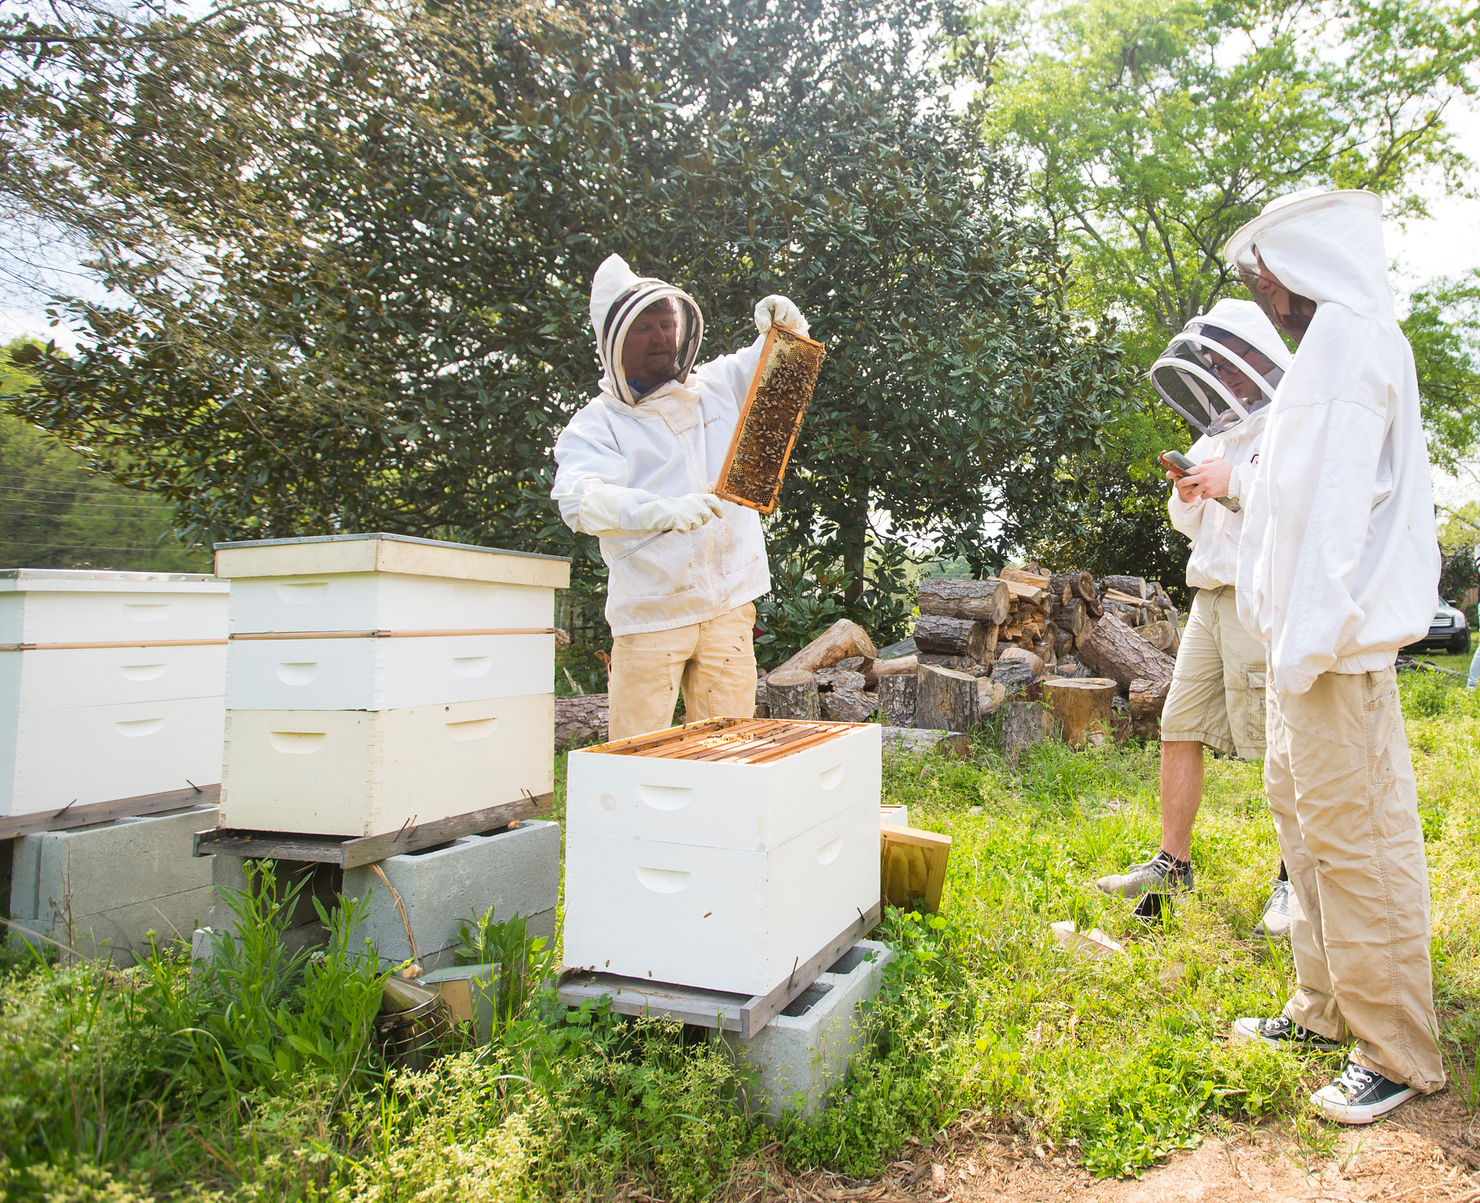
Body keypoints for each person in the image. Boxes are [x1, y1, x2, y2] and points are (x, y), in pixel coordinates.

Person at [1226, 188, 1445, 1124]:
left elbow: (1336, 517)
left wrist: (1305, 645)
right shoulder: (1325, 351)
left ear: (1308, 259)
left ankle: (1397, 1047)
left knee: (1360, 846)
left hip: (1333, 653)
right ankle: (1321, 1008)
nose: (1262, 287)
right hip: (1301, 648)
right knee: (1305, 834)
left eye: (1266, 268)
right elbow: (1283, 503)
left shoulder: (1356, 346)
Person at [551, 252, 809, 741]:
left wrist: (786, 322)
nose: (661, 337)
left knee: (728, 745)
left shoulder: (714, 385)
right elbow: (579, 501)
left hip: (730, 601)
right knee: (636, 750)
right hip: (653, 609)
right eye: (644, 327)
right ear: (614, 341)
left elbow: (784, 363)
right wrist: (658, 511)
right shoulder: (598, 423)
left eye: (666, 324)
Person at [1095, 300, 1294, 933]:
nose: (1224, 377)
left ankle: (1297, 881)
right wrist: (1188, 491)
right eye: (1215, 364)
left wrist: (1234, 482)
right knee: (1179, 725)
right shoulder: (1216, 431)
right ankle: (1171, 865)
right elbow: (1192, 526)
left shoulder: (1293, 422)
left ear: (1259, 353)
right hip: (1208, 599)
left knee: (1275, 743)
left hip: (1259, 599)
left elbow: (1300, 510)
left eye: (1231, 363)